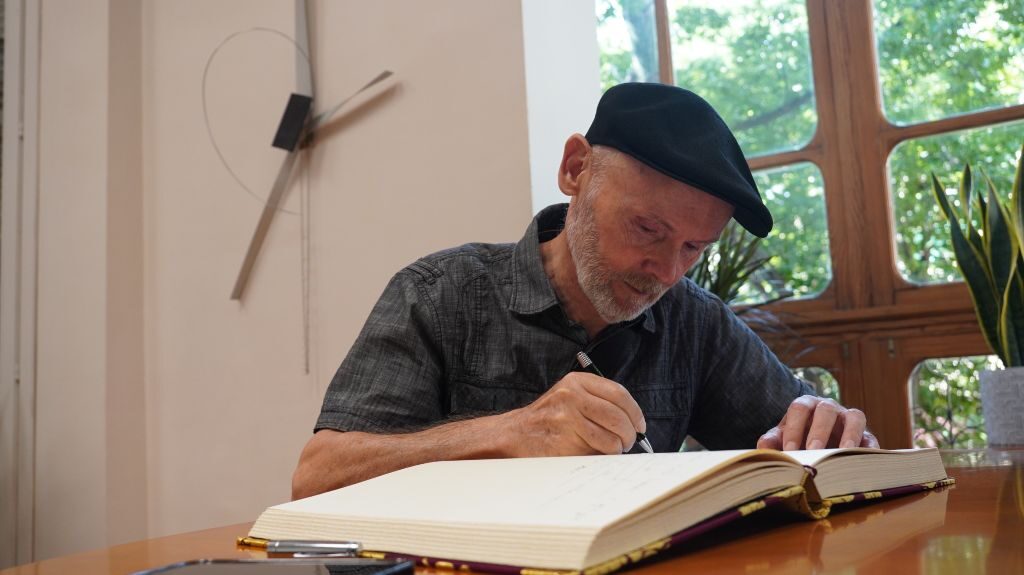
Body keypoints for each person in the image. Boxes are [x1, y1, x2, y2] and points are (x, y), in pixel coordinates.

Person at [291, 83, 878, 499]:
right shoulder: (440, 294)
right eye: (648, 229)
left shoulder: (693, 321)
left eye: (694, 248)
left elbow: (809, 449)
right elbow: (316, 477)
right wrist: (510, 433)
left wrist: (829, 437)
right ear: (576, 169)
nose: (668, 273)